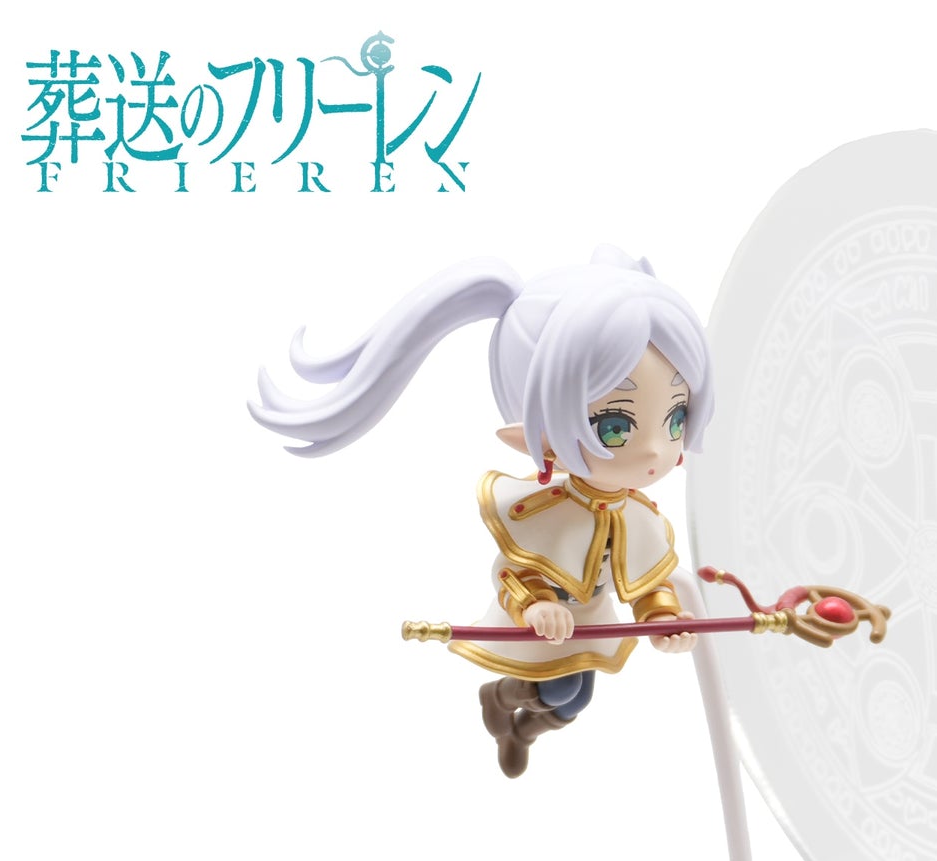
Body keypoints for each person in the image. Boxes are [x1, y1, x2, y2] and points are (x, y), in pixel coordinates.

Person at [249, 247, 712, 775]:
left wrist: (662, 618)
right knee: (563, 690)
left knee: (575, 700)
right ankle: (501, 697)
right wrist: (535, 606)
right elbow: (516, 572)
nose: (654, 451)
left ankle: (515, 724)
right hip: (543, 621)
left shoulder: (641, 517)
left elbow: (645, 577)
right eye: (614, 427)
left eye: (676, 419)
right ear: (536, 432)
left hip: (590, 620)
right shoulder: (543, 510)